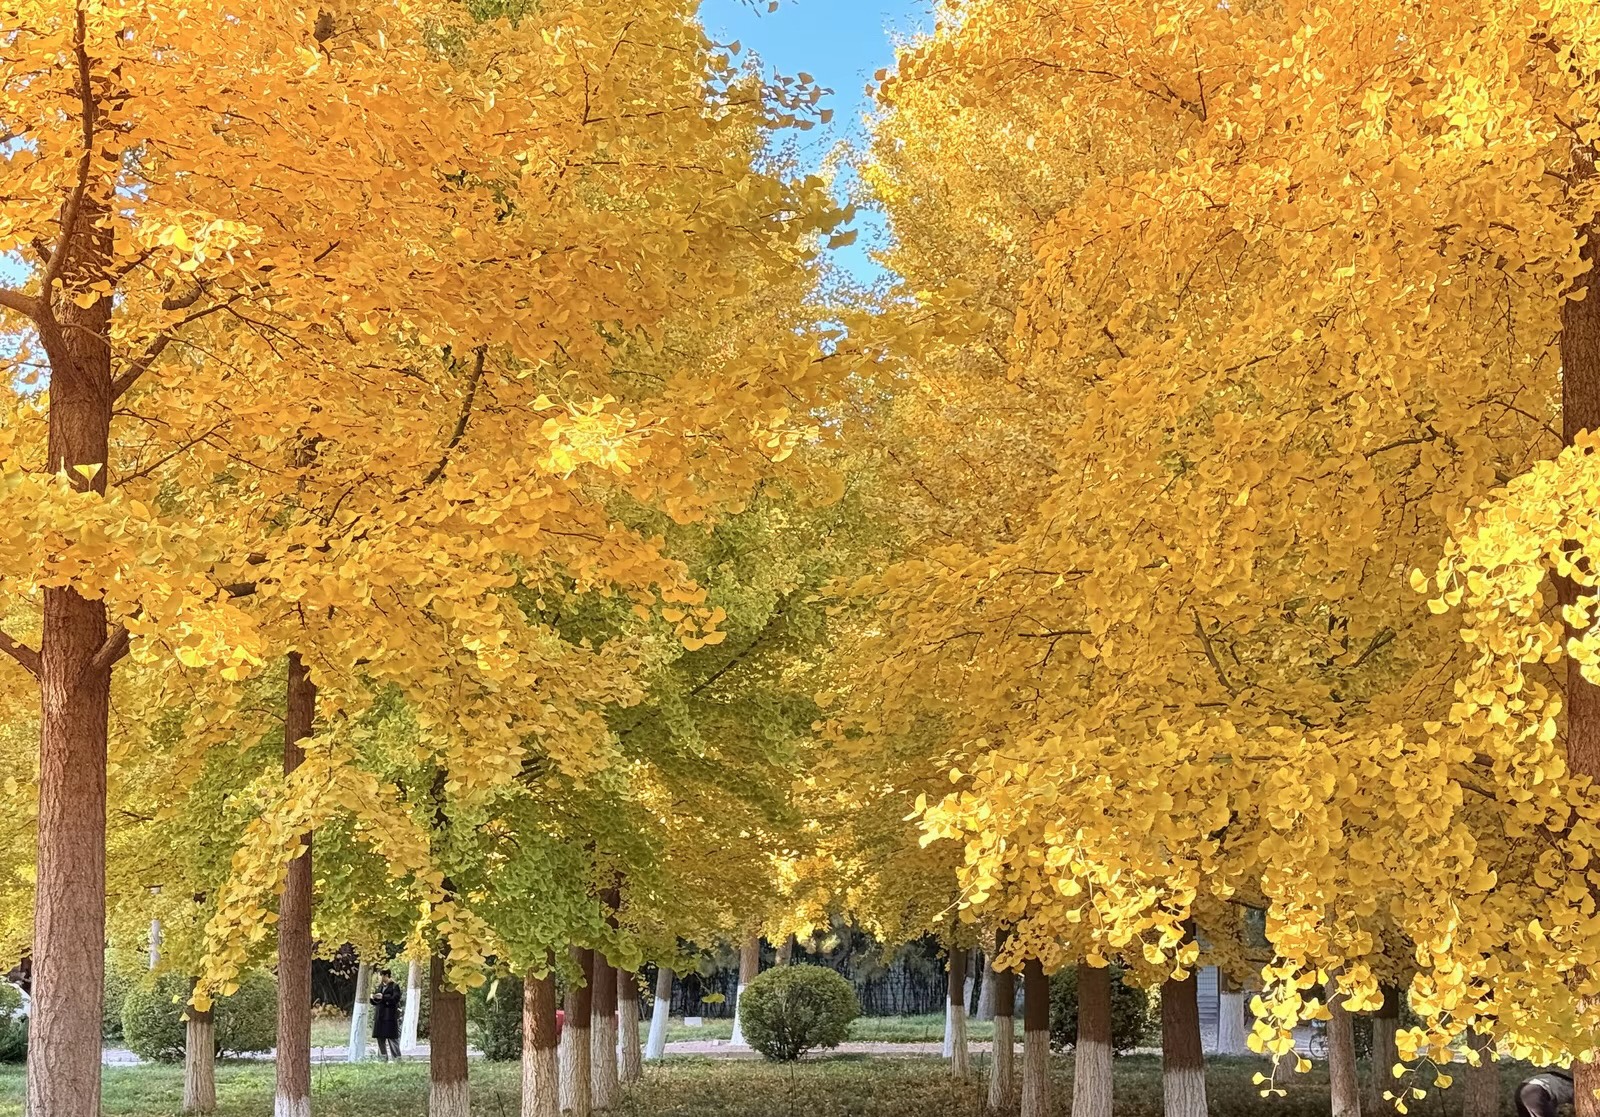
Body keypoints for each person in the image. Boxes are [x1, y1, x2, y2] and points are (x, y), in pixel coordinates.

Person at [370, 967, 402, 1061]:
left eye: (381, 976)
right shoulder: (380, 987)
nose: (379, 978)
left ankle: (397, 1058)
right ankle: (383, 1058)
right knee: (380, 1038)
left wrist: (383, 997)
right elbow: (377, 1001)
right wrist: (373, 998)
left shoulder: (394, 986)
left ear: (386, 976)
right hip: (380, 1016)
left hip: (389, 1016)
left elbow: (395, 999)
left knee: (392, 1038)